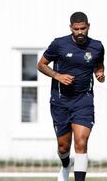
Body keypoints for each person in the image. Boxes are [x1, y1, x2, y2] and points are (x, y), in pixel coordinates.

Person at [37, 12, 104, 181]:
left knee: (81, 142)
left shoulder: (97, 46)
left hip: (84, 100)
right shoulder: (59, 44)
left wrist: (100, 73)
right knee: (63, 146)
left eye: (83, 28)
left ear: (88, 26)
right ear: (71, 28)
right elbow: (41, 65)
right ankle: (65, 165)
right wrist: (57, 75)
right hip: (61, 101)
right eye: (76, 29)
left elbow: (98, 64)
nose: (80, 32)